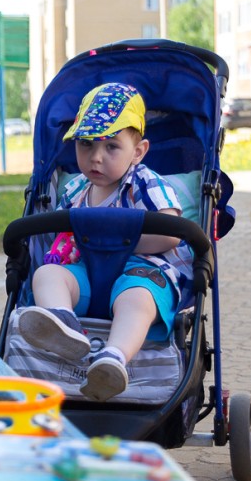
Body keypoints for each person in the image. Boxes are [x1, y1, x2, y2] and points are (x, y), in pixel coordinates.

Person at [17, 82, 192, 401]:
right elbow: (59, 236)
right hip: (86, 272)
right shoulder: (75, 190)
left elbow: (170, 231)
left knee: (136, 298)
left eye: (111, 147)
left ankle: (113, 358)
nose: (96, 158)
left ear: (138, 151)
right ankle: (62, 324)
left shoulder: (144, 182)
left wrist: (114, 241)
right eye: (86, 145)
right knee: (46, 274)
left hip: (141, 271)